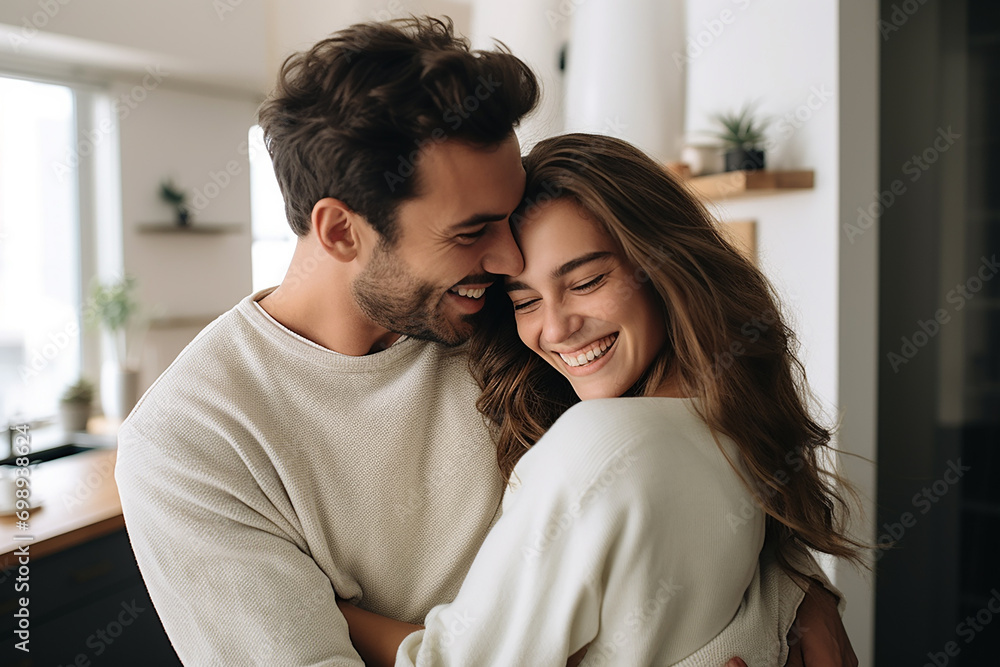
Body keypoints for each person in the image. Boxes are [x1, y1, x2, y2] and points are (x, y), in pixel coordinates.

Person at [115, 17, 856, 666]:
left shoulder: (501, 312)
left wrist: (797, 595)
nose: (509, 261)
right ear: (341, 230)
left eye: (506, 216)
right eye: (472, 231)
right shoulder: (188, 446)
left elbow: (680, 461)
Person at [332, 133, 866, 666]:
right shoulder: (735, 425)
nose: (557, 328)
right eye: (525, 301)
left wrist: (330, 608)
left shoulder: (600, 442)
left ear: (665, 265)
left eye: (586, 281)